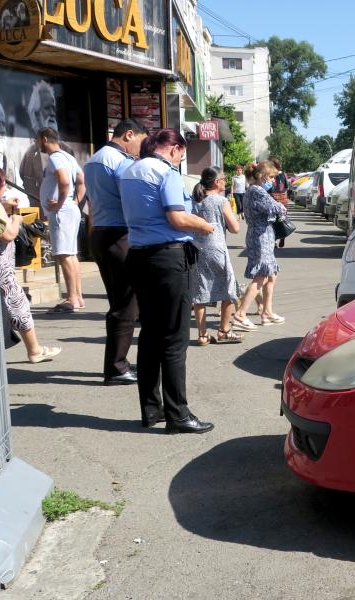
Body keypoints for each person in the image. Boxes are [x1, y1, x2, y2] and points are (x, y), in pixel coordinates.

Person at [119, 128, 216, 434]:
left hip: (139, 256)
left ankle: (151, 409)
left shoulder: (129, 171)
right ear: (174, 148)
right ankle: (178, 415)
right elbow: (177, 217)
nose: (180, 160)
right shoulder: (166, 172)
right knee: (174, 338)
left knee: (150, 335)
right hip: (168, 258)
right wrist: (204, 224)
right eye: (181, 155)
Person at [83, 118, 147, 385]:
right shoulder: (120, 162)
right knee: (126, 306)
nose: (141, 149)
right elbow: (134, 196)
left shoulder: (93, 160)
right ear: (129, 135)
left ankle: (117, 363)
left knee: (119, 303)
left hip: (100, 232)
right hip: (119, 235)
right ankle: (116, 368)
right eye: (141, 142)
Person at [0, 166, 62, 364]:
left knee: (15, 303)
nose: (5, 190)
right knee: (17, 303)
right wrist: (16, 219)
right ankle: (34, 350)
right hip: (1, 266)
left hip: (1, 265)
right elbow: (7, 234)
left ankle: (34, 349)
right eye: (3, 185)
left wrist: (5, 208)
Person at [190, 167, 244, 346]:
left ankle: (202, 335)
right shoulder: (221, 201)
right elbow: (235, 228)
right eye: (224, 179)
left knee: (200, 291)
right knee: (229, 289)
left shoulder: (195, 200)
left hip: (197, 249)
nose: (226, 182)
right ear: (216, 182)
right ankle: (224, 330)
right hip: (217, 249)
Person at [37, 127, 86, 313]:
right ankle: (78, 297)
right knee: (71, 254)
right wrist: (75, 201)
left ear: (44, 139)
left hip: (62, 212)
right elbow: (81, 180)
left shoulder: (55, 158)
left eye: (37, 140)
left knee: (64, 254)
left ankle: (72, 298)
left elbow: (64, 181)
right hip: (69, 209)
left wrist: (60, 203)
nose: (37, 144)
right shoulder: (68, 157)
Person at [234, 162, 285, 330]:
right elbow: (276, 207)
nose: (273, 180)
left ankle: (267, 312)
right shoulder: (257, 191)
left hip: (264, 235)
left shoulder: (255, 190)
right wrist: (281, 207)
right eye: (271, 177)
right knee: (261, 275)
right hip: (260, 236)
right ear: (262, 176)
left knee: (271, 274)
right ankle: (240, 314)